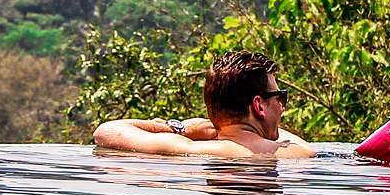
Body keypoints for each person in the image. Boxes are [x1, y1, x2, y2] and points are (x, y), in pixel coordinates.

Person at [93, 49, 315, 158]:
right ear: (258, 106)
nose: (282, 107)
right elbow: (307, 150)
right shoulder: (286, 153)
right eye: (279, 98)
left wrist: (182, 128)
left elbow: (106, 131)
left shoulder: (188, 150)